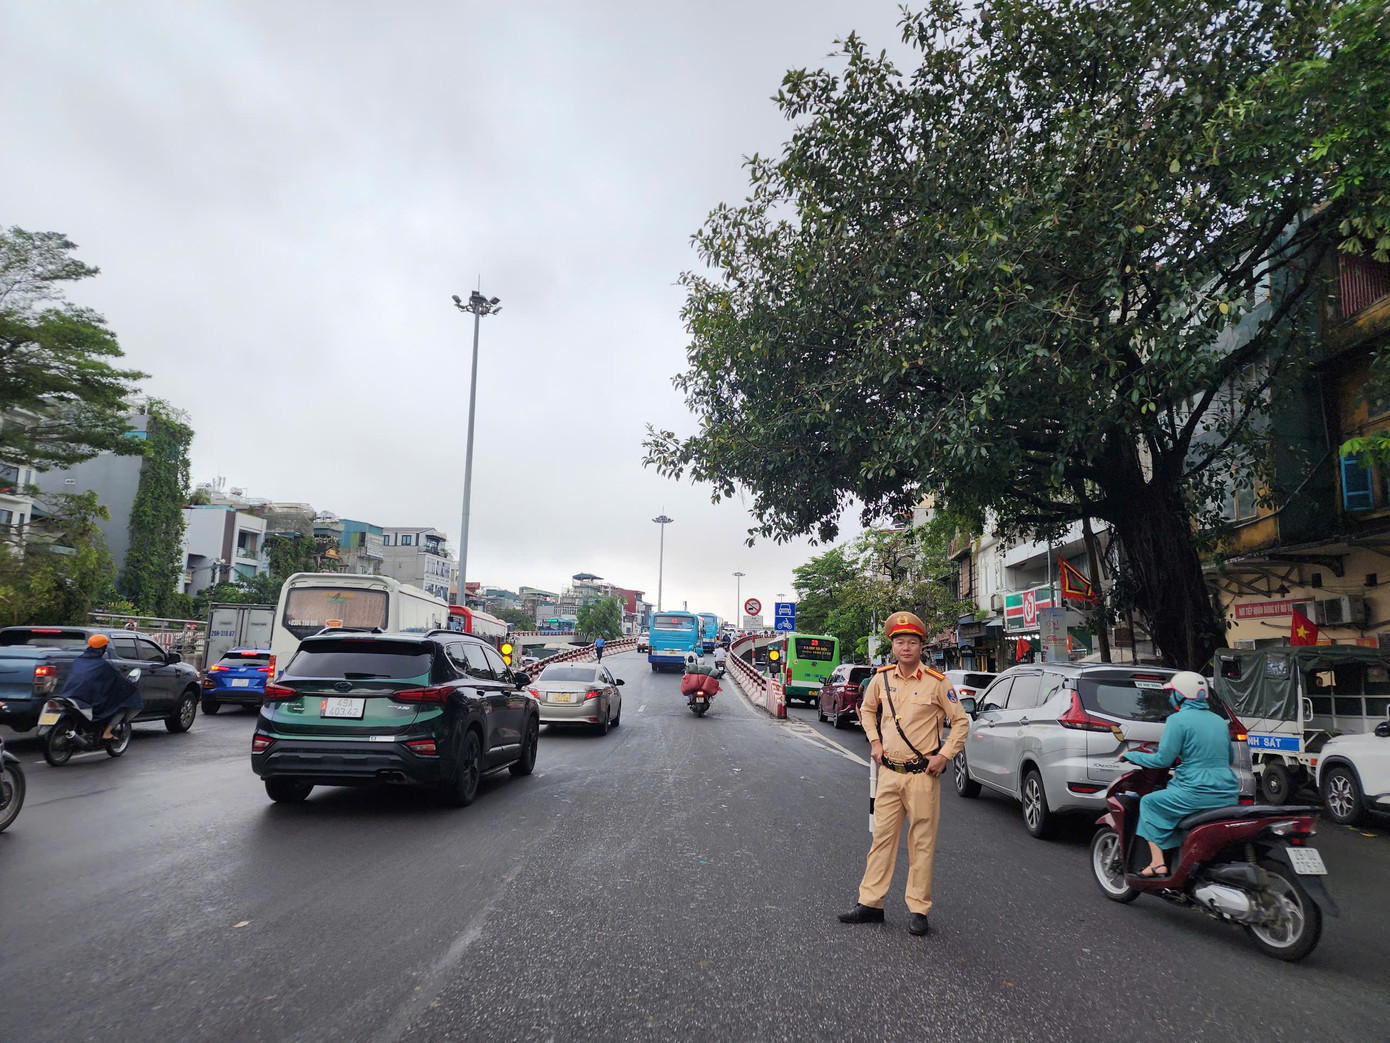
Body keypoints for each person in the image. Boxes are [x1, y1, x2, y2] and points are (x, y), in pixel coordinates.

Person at [839, 611, 970, 937]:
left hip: (922, 777)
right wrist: (874, 741)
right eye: (900, 642)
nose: (906, 647)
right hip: (889, 775)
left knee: (921, 843)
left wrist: (944, 755)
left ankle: (918, 909)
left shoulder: (938, 684)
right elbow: (866, 710)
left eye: (912, 642)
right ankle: (871, 903)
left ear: (921, 646)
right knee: (881, 839)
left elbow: (961, 723)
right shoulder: (881, 679)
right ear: (893, 646)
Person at [1120, 670, 1240, 877]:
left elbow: (1162, 760)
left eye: (1173, 692)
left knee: (1149, 802)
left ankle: (1157, 863)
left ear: (1181, 695)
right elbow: (1228, 759)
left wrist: (1133, 757)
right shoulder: (1220, 722)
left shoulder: (1178, 720)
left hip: (1194, 791)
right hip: (1227, 792)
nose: (1171, 697)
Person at [58, 633, 142, 741]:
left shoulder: (78, 660)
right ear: (102, 649)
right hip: (90, 701)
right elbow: (118, 679)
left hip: (70, 695)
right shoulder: (102, 665)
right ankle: (107, 732)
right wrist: (131, 686)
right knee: (121, 706)